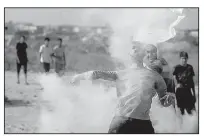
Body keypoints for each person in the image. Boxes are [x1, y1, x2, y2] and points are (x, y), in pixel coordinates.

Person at [71, 43, 175, 134]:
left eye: (137, 48)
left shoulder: (155, 76)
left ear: (144, 53)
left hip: (143, 123)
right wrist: (79, 77)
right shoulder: (122, 73)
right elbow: (97, 74)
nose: (134, 49)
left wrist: (168, 100)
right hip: (121, 121)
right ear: (129, 54)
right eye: (133, 48)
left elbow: (163, 101)